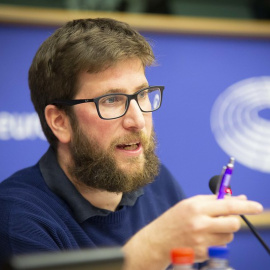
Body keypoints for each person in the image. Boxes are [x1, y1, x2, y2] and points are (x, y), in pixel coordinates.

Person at [0, 18, 263, 270]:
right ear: (60, 121)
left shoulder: (157, 182)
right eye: (111, 100)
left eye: (142, 94)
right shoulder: (17, 219)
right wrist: (155, 246)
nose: (138, 120)